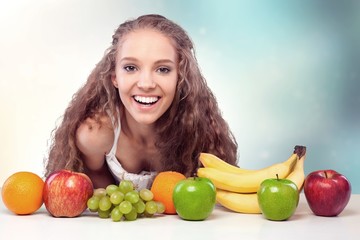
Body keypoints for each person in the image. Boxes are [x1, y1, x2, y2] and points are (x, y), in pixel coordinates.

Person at [44, 14, 238, 189]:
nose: (146, 84)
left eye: (162, 69)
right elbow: (102, 197)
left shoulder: (196, 132)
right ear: (114, 77)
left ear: (180, 78)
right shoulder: (95, 135)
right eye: (130, 68)